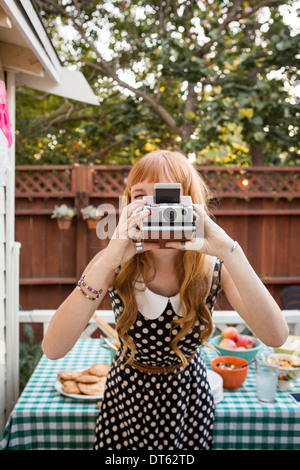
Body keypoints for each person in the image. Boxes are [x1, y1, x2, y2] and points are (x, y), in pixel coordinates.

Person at [42, 150, 289, 450]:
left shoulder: (212, 267)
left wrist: (228, 250)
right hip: (126, 402)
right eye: (140, 196)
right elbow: (53, 348)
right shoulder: (112, 264)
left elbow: (276, 334)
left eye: (165, 195)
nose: (153, 207)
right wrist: (107, 262)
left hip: (188, 403)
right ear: (126, 205)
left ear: (191, 205)